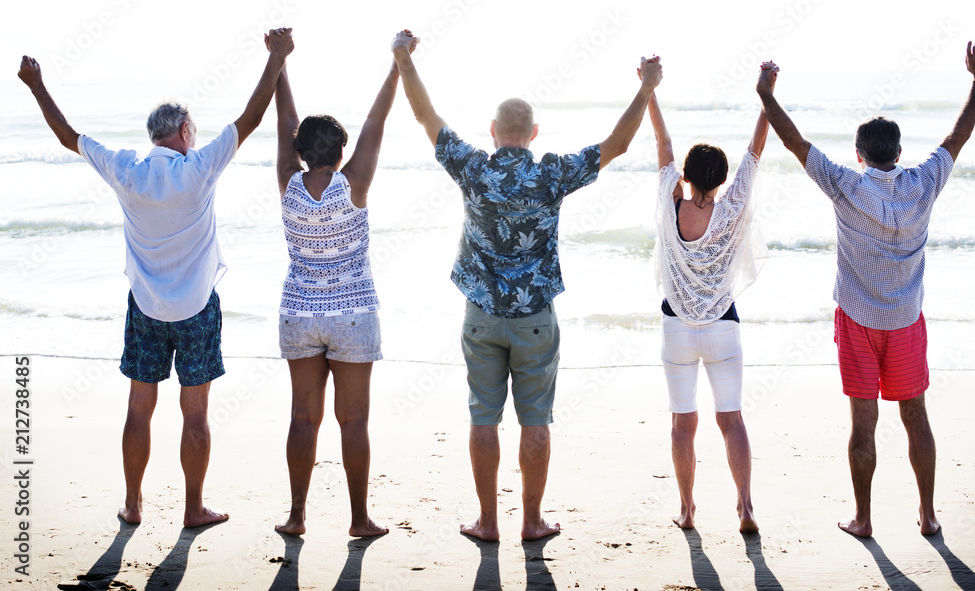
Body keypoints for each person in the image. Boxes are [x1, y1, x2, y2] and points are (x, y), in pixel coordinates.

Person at [390, 29, 662, 541]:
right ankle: (532, 521)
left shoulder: (474, 168)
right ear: (534, 133)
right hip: (535, 320)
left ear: (493, 131)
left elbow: (425, 117)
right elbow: (619, 144)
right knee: (535, 420)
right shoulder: (551, 175)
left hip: (480, 318)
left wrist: (403, 58)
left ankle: (489, 522)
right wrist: (646, 88)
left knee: (483, 418)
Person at [16, 29, 295, 527]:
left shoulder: (127, 170)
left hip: (145, 307)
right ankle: (192, 509)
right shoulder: (200, 168)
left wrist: (35, 84)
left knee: (139, 408)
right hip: (196, 310)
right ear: (186, 131)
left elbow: (68, 137)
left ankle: (133, 504)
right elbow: (250, 120)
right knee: (195, 413)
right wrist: (276, 58)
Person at [755, 41, 975, 538]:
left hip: (859, 321)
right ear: (899, 154)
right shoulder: (924, 181)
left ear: (859, 155)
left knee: (863, 420)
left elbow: (797, 143)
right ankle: (927, 515)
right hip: (906, 321)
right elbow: (958, 136)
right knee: (915, 415)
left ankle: (863, 519)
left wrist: (767, 96)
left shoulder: (846, 183)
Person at [271, 35, 412, 537]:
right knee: (353, 422)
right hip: (353, 314)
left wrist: (279, 63)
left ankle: (296, 516)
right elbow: (377, 123)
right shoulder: (353, 185)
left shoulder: (288, 181)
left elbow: (286, 123)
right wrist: (398, 65)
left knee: (302, 419)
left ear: (299, 152)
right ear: (341, 150)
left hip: (300, 313)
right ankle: (358, 519)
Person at [650, 63, 776, 534]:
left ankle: (687, 509)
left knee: (684, 424)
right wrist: (766, 94)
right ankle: (744, 505)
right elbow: (756, 150)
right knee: (732, 419)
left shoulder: (670, 202)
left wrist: (649, 89)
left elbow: (662, 145)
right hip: (723, 325)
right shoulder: (732, 206)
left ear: (685, 176)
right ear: (722, 180)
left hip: (677, 326)